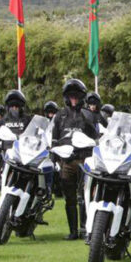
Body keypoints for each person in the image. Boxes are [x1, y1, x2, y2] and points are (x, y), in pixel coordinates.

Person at [51, 79, 98, 240]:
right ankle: (73, 231)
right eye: (71, 96)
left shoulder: (88, 115)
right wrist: (55, 160)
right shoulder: (59, 116)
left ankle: (86, 229)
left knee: (85, 196)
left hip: (84, 160)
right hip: (66, 162)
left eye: (76, 96)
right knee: (69, 197)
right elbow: (54, 139)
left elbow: (95, 138)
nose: (74, 99)